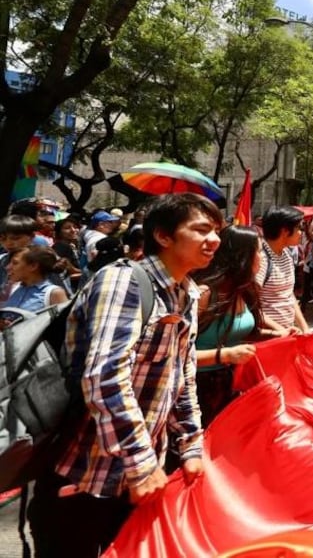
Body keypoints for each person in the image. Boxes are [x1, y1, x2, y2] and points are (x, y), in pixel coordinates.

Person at [28, 193, 223, 557]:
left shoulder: (187, 294)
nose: (214, 240)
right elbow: (105, 376)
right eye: (202, 230)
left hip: (137, 485)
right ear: (163, 236)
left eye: (217, 231)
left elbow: (182, 377)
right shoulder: (124, 282)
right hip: (82, 477)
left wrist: (191, 445)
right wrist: (142, 462)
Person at [191, 226, 265, 426]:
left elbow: (244, 332)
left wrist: (281, 334)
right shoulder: (203, 295)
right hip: (196, 390)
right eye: (258, 251)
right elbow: (175, 355)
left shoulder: (245, 290)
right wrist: (225, 355)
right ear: (241, 257)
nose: (261, 257)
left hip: (231, 384)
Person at [257, 205, 309, 335]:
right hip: (267, 337)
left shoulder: (286, 253)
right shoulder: (261, 259)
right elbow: (250, 306)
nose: (301, 233)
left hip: (286, 334)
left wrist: (304, 328)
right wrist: (280, 331)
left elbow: (288, 295)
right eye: (299, 228)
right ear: (285, 231)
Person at [0, 246, 68, 326]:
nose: (8, 267)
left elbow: (64, 328)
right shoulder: (13, 289)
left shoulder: (54, 293)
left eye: (15, 263)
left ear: (33, 266)